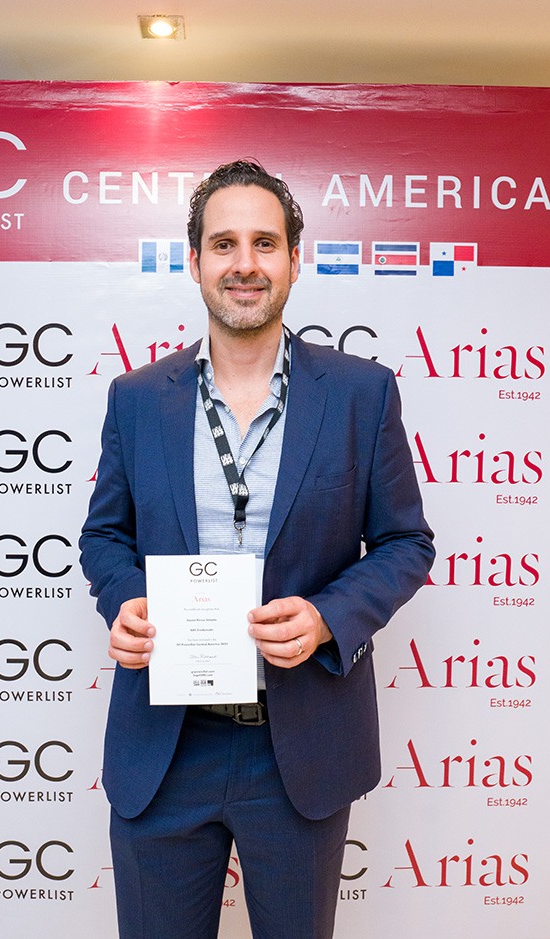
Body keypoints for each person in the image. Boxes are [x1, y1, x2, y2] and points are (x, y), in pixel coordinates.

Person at [80, 160, 435, 939]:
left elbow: (406, 541)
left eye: (265, 243)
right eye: (224, 244)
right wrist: (125, 600)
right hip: (164, 745)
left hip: (300, 747)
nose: (245, 263)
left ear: (295, 260)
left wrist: (328, 615)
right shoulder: (136, 399)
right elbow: (104, 534)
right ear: (195, 261)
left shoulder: (362, 393)